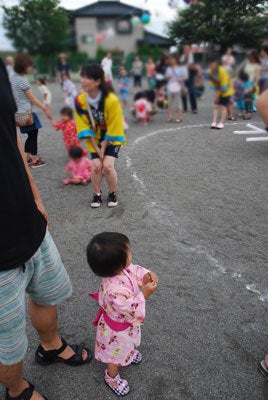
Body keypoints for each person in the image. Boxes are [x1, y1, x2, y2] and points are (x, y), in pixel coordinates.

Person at [0, 57, 91, 400]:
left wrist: (36, 196)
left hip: (28, 220)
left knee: (48, 292)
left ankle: (51, 346)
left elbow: (9, 133)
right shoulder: (21, 81)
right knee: (6, 340)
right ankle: (16, 389)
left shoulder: (7, 75)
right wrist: (45, 109)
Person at [87, 232, 158, 396]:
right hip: (116, 329)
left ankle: (129, 352)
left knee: (127, 343)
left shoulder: (121, 270)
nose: (131, 254)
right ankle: (111, 377)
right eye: (129, 252)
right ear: (118, 264)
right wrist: (144, 294)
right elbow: (129, 308)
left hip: (123, 325)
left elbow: (135, 271)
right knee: (115, 354)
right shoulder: (114, 290)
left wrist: (146, 275)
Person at [74, 64, 126, 208]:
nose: (83, 80)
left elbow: (115, 124)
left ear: (97, 81)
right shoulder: (80, 100)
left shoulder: (111, 100)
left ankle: (112, 193)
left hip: (112, 137)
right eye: (82, 77)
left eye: (87, 78)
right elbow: (83, 125)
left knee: (108, 166)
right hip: (94, 138)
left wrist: (104, 146)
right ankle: (97, 194)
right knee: (96, 166)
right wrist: (97, 148)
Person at [11, 54, 49, 168]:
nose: (31, 68)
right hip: (27, 113)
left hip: (18, 113)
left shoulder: (12, 79)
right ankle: (34, 160)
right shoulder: (23, 81)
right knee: (33, 134)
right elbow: (32, 98)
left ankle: (27, 157)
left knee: (29, 135)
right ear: (24, 67)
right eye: (29, 66)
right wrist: (43, 106)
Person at [208, 56, 234, 129]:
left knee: (223, 106)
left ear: (216, 64)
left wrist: (218, 96)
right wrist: (216, 94)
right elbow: (213, 84)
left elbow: (224, 86)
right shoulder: (210, 72)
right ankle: (214, 122)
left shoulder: (222, 71)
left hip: (227, 90)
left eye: (212, 64)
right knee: (216, 106)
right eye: (210, 64)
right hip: (219, 90)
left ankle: (222, 122)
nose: (211, 65)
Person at [165, 54, 187, 123]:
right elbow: (166, 77)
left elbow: (185, 77)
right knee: (169, 102)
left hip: (178, 87)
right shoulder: (168, 68)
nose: (171, 61)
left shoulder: (181, 68)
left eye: (172, 59)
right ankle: (170, 116)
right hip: (170, 87)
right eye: (170, 59)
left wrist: (179, 79)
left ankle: (179, 117)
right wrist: (168, 76)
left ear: (176, 59)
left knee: (178, 102)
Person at [180, 44, 198, 114]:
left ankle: (194, 108)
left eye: (187, 48)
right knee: (183, 93)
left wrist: (189, 66)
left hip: (190, 77)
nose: (186, 50)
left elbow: (194, 67)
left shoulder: (192, 57)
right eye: (185, 49)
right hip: (183, 77)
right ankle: (185, 108)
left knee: (192, 92)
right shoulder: (182, 57)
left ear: (189, 49)